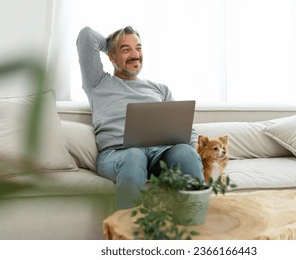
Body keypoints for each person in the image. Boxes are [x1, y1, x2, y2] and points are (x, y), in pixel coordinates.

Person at [76, 26, 204, 209]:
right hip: (119, 155)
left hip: (160, 154)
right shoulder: (98, 83)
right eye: (126, 49)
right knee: (135, 156)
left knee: (186, 152)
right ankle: (129, 233)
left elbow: (183, 128)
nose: (136, 55)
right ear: (111, 56)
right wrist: (111, 45)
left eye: (139, 48)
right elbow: (86, 35)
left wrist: (194, 150)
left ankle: (194, 226)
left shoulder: (159, 89)